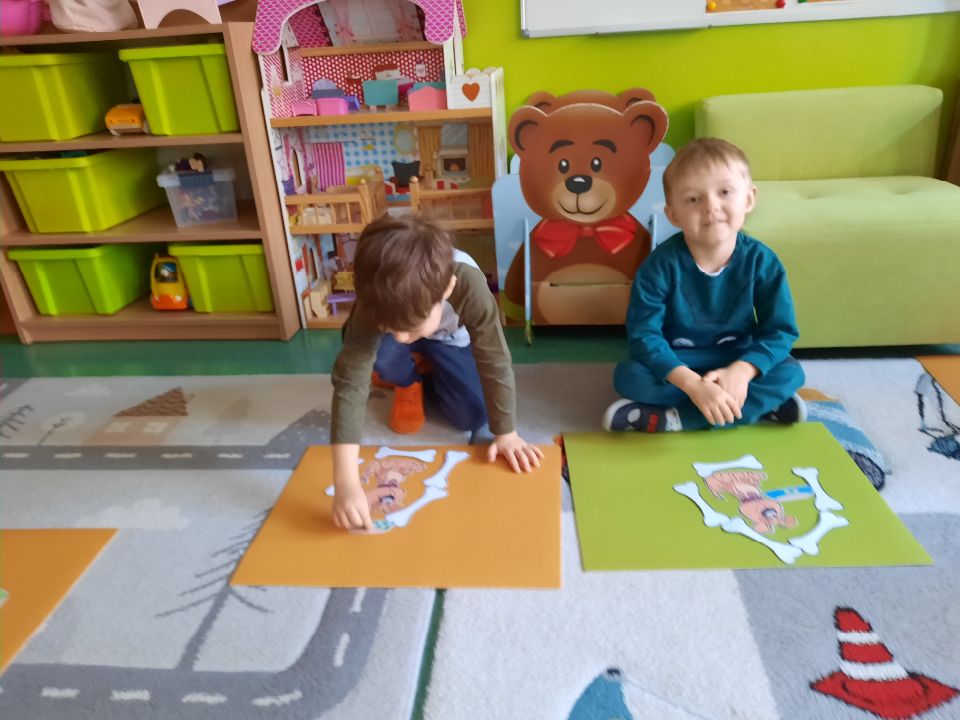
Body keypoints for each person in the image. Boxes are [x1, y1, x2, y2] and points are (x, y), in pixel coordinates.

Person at [330, 214, 543, 530]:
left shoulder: (469, 285)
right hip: (394, 342)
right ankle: (408, 380)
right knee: (382, 354)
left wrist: (506, 433)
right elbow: (350, 381)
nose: (402, 335)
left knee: (472, 415)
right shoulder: (376, 301)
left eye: (410, 326)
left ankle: (427, 365)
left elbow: (494, 359)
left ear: (447, 289)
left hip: (451, 344)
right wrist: (346, 483)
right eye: (391, 326)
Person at [602, 137, 806, 433]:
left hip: (737, 357)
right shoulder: (657, 268)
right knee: (629, 376)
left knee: (790, 372)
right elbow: (644, 336)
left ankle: (679, 419)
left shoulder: (764, 262)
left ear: (748, 199)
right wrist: (693, 384)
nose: (711, 206)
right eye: (693, 199)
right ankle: (759, 407)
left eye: (725, 192)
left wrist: (742, 371)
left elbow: (780, 332)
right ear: (673, 215)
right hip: (680, 361)